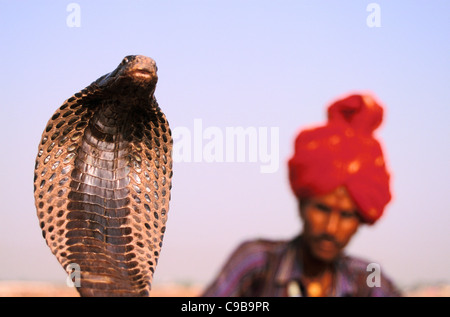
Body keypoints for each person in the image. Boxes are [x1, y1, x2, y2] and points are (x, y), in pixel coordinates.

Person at [202, 93, 402, 297]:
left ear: (360, 220)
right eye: (322, 209)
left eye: (346, 216)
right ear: (302, 205)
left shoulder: (368, 279)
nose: (331, 229)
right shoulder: (257, 263)